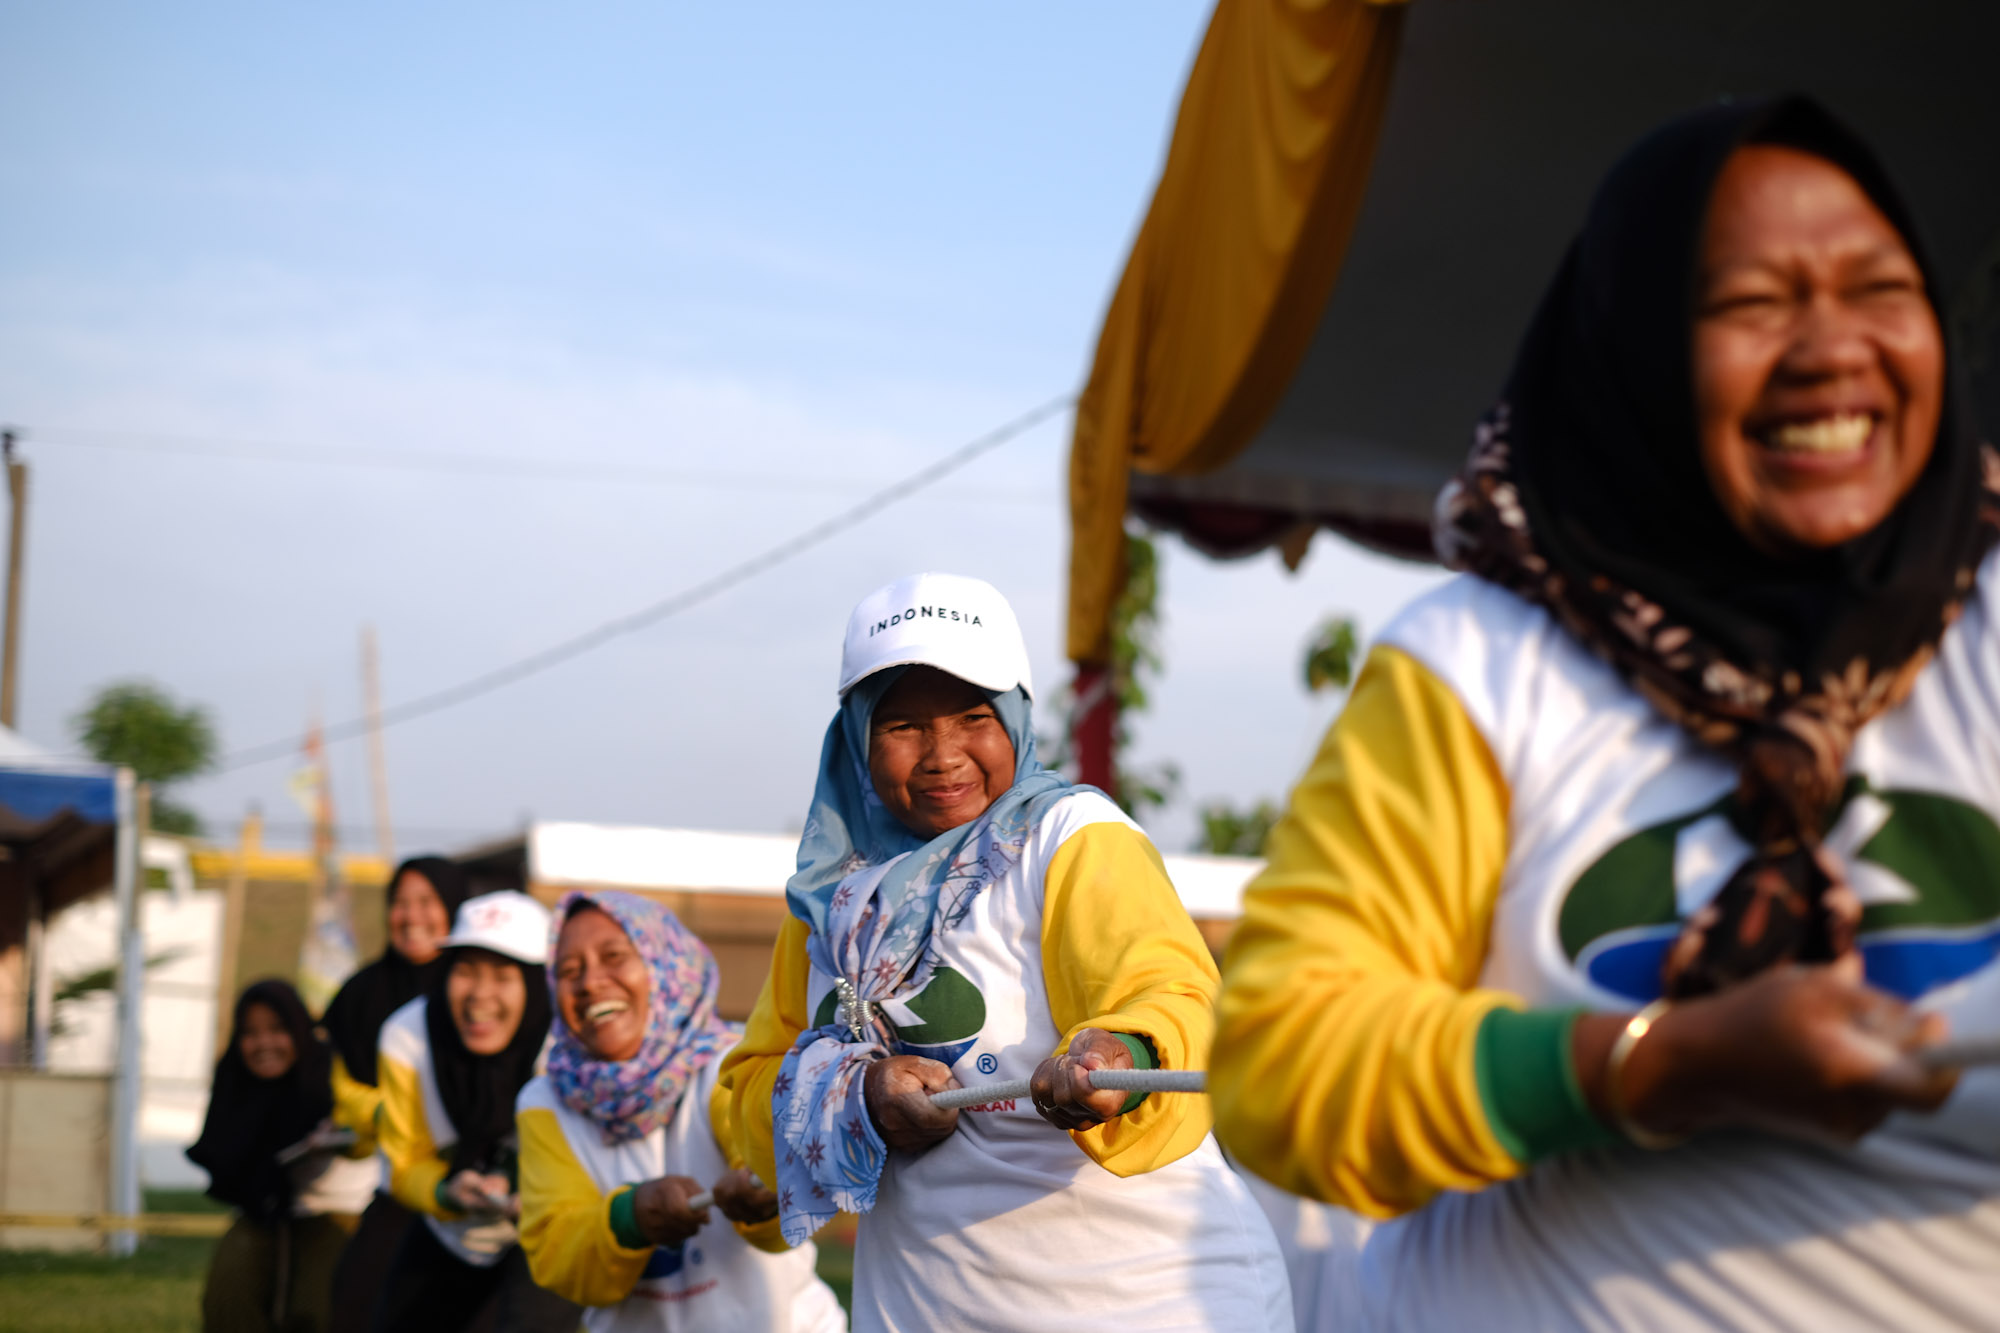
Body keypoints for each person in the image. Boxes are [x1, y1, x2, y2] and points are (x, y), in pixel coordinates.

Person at [1210, 95, 2000, 1331]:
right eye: (1749, 303)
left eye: (1878, 290)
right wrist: (1646, 1065)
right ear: (1630, 348)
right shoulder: (1482, 665)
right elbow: (1282, 1058)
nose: (1831, 347)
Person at [717, 571, 1292, 1332]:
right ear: (855, 735)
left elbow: (1177, 995)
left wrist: (1116, 1051)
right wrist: (858, 1099)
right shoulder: (832, 902)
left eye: (973, 716)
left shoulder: (1070, 840)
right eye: (902, 725)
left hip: (1146, 1305)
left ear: (1018, 718)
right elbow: (749, 1093)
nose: (942, 755)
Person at [516, 889, 846, 1331]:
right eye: (568, 971)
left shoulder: (733, 1062)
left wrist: (766, 1190)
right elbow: (558, 1258)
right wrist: (630, 1217)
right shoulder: (546, 1103)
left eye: (614, 956)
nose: (590, 983)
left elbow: (780, 1200)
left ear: (666, 963)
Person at [371, 890, 579, 1333]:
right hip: (452, 1223)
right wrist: (447, 1191)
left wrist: (537, 1193)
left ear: (538, 981)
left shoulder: (570, 1044)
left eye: (503, 975)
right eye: (465, 970)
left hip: (550, 1226)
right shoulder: (407, 1037)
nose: (479, 995)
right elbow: (402, 1162)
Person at [323, 856, 471, 1333]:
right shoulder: (360, 995)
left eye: (427, 902)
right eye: (400, 903)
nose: (412, 916)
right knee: (359, 1304)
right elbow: (342, 1092)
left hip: (479, 1187)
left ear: (454, 908)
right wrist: (393, 1113)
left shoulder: (480, 993)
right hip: (393, 1184)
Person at [188, 979, 373, 1333]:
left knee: (317, 1309)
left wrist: (337, 1137)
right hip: (264, 1213)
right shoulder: (235, 1085)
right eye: (250, 1033)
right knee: (228, 1296)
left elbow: (369, 1124)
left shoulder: (332, 1074)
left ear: (299, 1031)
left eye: (277, 1029)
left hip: (337, 1210)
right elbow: (224, 1157)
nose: (264, 1044)